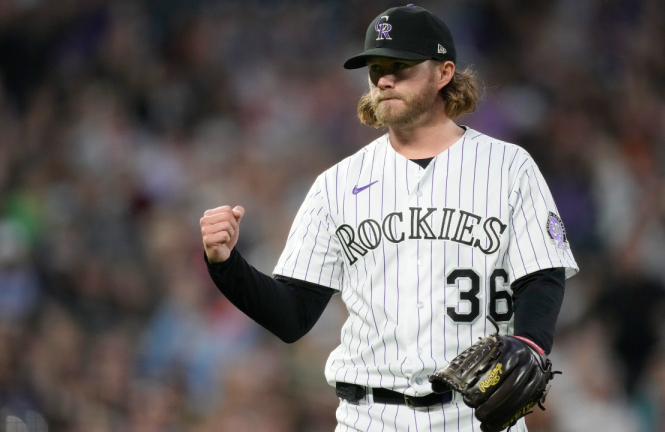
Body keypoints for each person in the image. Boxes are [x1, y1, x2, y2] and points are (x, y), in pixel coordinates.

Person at [200, 5, 578, 431]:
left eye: (401, 66)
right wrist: (226, 265)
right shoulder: (337, 184)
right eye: (376, 68)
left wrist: (530, 343)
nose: (384, 79)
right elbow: (292, 316)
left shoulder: (508, 166)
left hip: (472, 414)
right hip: (368, 417)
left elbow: (542, 275)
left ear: (444, 73)